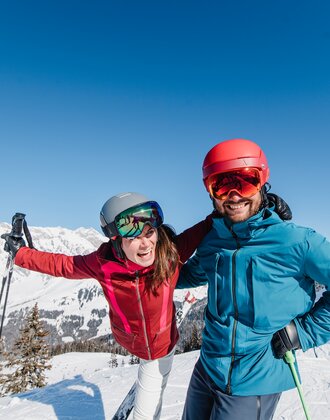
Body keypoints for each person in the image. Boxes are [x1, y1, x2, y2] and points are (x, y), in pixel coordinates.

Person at [2, 190, 291, 419]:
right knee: (148, 381)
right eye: (133, 237)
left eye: (149, 233)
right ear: (116, 241)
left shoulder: (170, 252)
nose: (145, 244)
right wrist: (21, 254)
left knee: (147, 409)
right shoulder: (103, 263)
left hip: (161, 347)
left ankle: (148, 390)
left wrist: (263, 209)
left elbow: (210, 223)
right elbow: (64, 265)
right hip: (129, 340)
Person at [177, 138, 330, 420]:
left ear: (262, 182)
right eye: (222, 184)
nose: (233, 195)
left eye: (245, 182)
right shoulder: (213, 242)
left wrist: (303, 332)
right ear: (210, 190)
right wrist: (142, 266)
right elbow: (185, 275)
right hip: (207, 368)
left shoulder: (296, 241)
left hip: (255, 378)